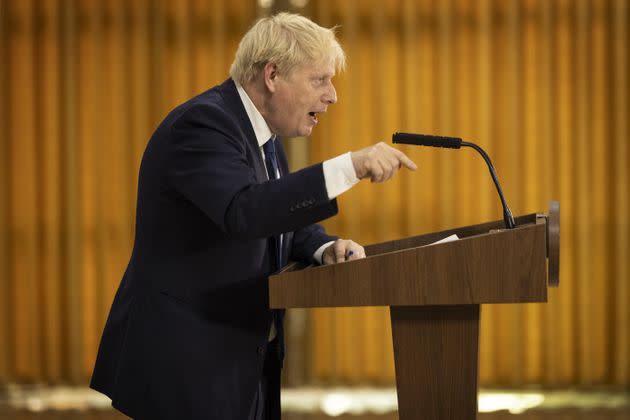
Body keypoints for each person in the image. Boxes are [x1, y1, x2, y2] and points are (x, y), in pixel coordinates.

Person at [90, 12, 416, 420]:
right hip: (188, 365)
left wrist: (324, 247)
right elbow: (244, 212)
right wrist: (349, 167)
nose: (332, 95)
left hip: (241, 362)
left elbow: (280, 217)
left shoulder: (262, 136)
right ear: (272, 75)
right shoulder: (204, 125)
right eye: (320, 80)